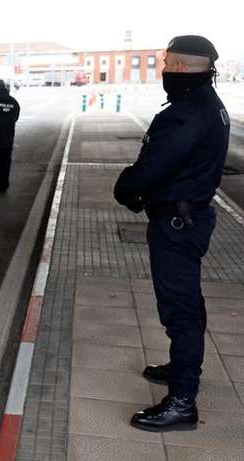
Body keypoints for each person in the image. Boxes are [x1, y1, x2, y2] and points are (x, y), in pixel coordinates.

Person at [113, 35, 230, 432]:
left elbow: (153, 166)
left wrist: (125, 188)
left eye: (166, 62)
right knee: (184, 307)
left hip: (178, 225)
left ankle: (182, 402)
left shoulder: (185, 114)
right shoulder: (207, 104)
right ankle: (181, 368)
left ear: (178, 66)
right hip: (189, 217)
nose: (163, 68)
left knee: (181, 311)